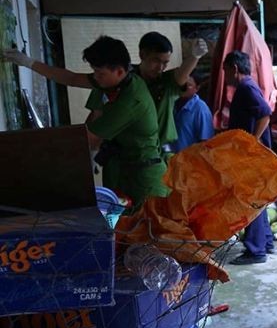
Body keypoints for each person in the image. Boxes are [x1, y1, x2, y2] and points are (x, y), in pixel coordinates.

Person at [3, 37, 167, 208]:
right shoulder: (119, 80)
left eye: (100, 73)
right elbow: (71, 78)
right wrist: (28, 62)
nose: (96, 78)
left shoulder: (130, 101)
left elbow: (88, 139)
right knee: (120, 226)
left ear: (119, 71)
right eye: (94, 71)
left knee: (143, 230)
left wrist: (27, 147)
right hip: (124, 169)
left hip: (145, 181)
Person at [86, 32, 208, 160]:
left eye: (165, 63)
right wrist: (92, 151)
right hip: (120, 155)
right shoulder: (121, 79)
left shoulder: (166, 83)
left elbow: (181, 74)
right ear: (142, 54)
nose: (160, 67)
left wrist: (195, 56)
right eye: (156, 60)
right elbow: (96, 114)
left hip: (157, 155)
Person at [225, 51, 275, 265]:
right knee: (257, 199)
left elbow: (265, 112)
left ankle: (256, 250)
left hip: (253, 156)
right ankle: (266, 242)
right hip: (253, 155)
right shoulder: (247, 87)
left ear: (234, 69)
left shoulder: (246, 88)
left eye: (225, 71)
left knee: (251, 201)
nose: (225, 76)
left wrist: (253, 141)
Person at [171, 76, 214, 152]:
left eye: (189, 85)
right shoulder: (173, 103)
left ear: (197, 88)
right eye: (183, 84)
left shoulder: (201, 109)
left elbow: (206, 142)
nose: (184, 88)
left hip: (188, 160)